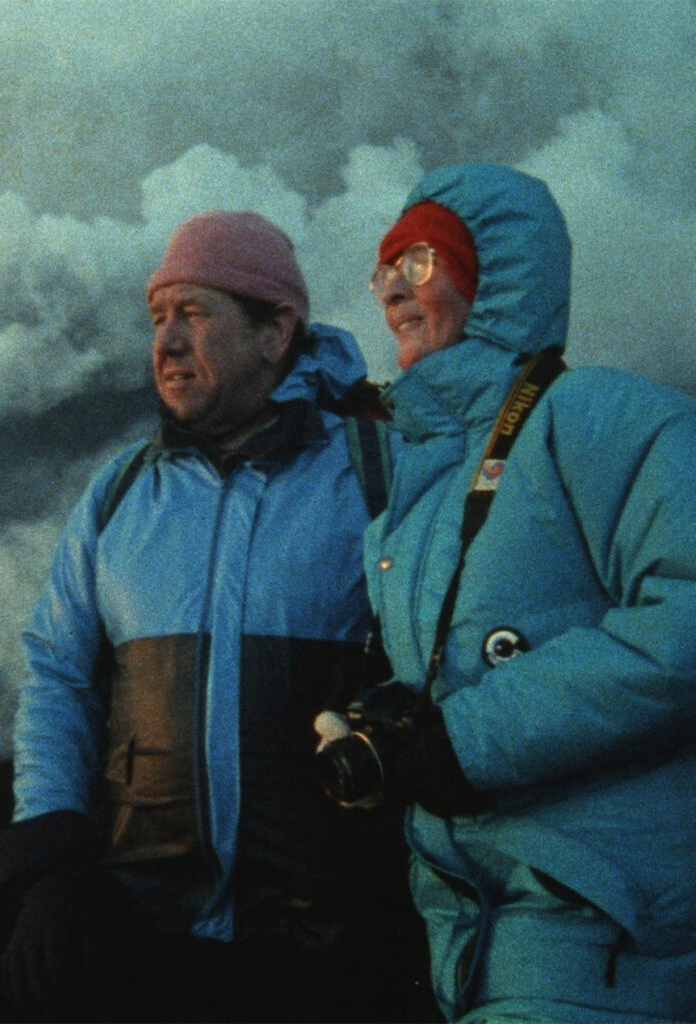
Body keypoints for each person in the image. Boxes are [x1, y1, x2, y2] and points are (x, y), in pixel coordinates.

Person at [0, 210, 433, 1022]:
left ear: (275, 331)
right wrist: (51, 867)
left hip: (328, 946)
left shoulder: (378, 474)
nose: (165, 342)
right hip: (137, 920)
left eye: (195, 313)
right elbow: (58, 673)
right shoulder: (119, 492)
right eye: (157, 318)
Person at [337, 162, 696, 1022]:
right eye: (381, 271)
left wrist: (467, 739)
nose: (391, 290)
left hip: (600, 929)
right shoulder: (414, 503)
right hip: (466, 939)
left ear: (493, 277)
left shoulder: (599, 415)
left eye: (417, 263)